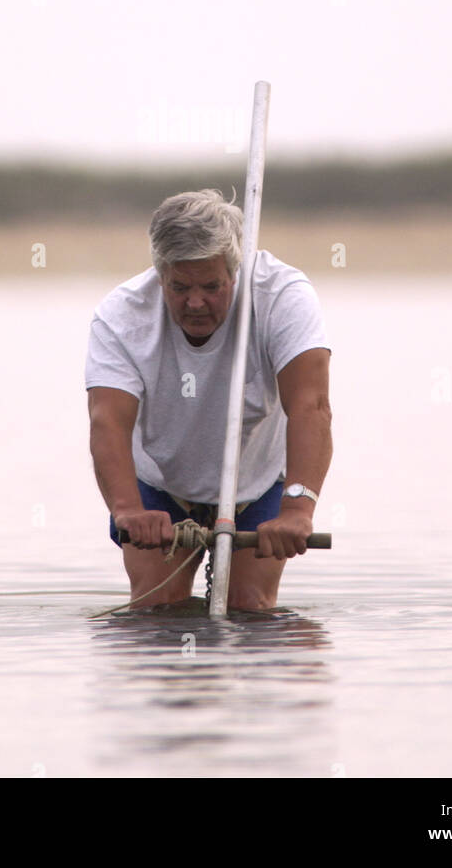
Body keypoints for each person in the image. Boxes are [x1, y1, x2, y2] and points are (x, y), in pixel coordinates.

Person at [85, 188, 332, 611]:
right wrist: (127, 510)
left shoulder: (283, 296)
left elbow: (311, 408)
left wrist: (297, 508)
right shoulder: (121, 316)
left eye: (212, 286)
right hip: (160, 485)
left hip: (256, 482)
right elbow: (108, 421)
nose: (195, 302)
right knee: (156, 610)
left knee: (251, 608)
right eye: (179, 287)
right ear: (160, 273)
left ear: (235, 270)